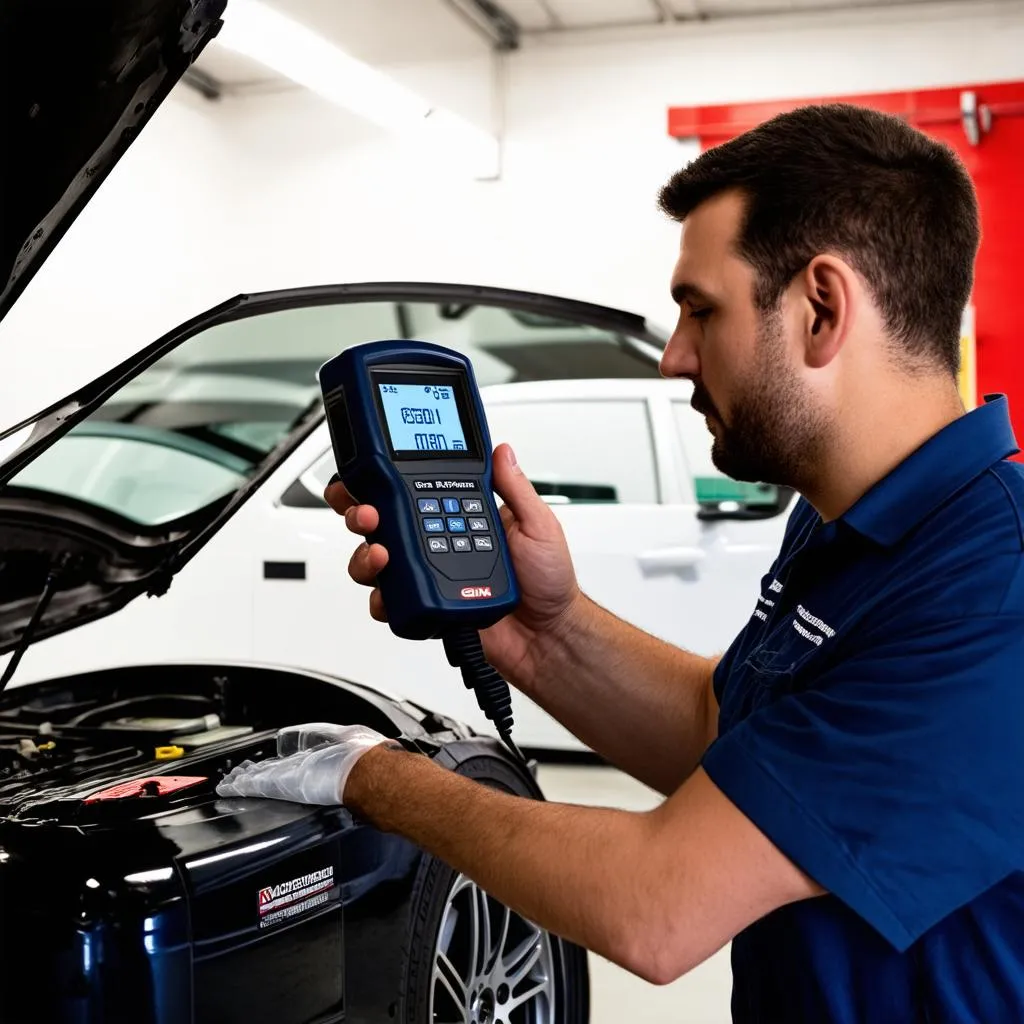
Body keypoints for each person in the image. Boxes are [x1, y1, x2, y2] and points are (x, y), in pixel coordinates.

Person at [217, 103, 1024, 1022]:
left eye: (699, 310)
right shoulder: (855, 524)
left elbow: (658, 903)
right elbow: (719, 727)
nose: (675, 357)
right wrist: (540, 628)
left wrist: (373, 778)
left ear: (822, 308)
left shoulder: (995, 592)